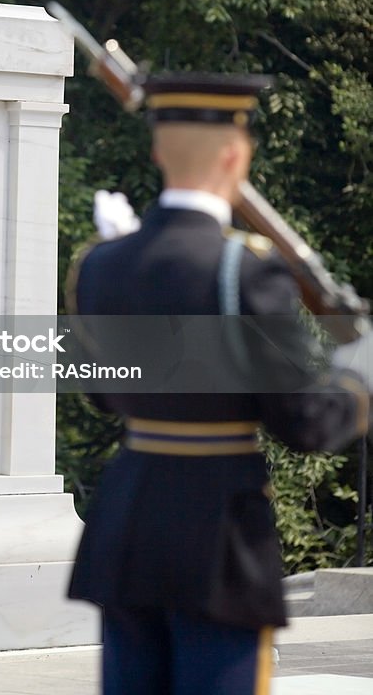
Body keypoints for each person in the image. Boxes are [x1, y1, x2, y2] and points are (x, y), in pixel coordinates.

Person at [66, 72, 371, 695]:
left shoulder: (100, 263)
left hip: (127, 525)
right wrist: (359, 376)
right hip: (218, 535)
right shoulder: (248, 268)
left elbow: (102, 393)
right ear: (236, 154)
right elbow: (306, 422)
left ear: (156, 151)